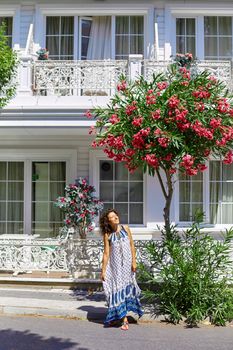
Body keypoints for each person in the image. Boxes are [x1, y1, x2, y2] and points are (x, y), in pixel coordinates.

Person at [99, 209, 143, 330]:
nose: (116, 217)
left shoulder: (126, 228)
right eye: (112, 217)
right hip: (115, 267)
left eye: (116, 215)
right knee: (116, 290)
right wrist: (103, 270)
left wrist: (134, 261)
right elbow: (106, 253)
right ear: (109, 221)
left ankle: (118, 317)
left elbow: (132, 246)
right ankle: (124, 319)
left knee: (126, 289)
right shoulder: (107, 235)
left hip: (127, 266)